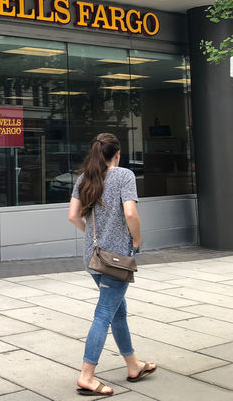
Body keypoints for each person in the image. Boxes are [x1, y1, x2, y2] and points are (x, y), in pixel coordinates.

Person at [68, 133, 157, 396]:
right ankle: (86, 375)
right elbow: (130, 213)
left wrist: (90, 235)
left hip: (93, 257)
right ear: (117, 154)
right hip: (116, 259)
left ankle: (134, 365)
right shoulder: (124, 176)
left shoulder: (84, 178)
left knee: (117, 309)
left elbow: (72, 216)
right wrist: (138, 240)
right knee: (104, 313)